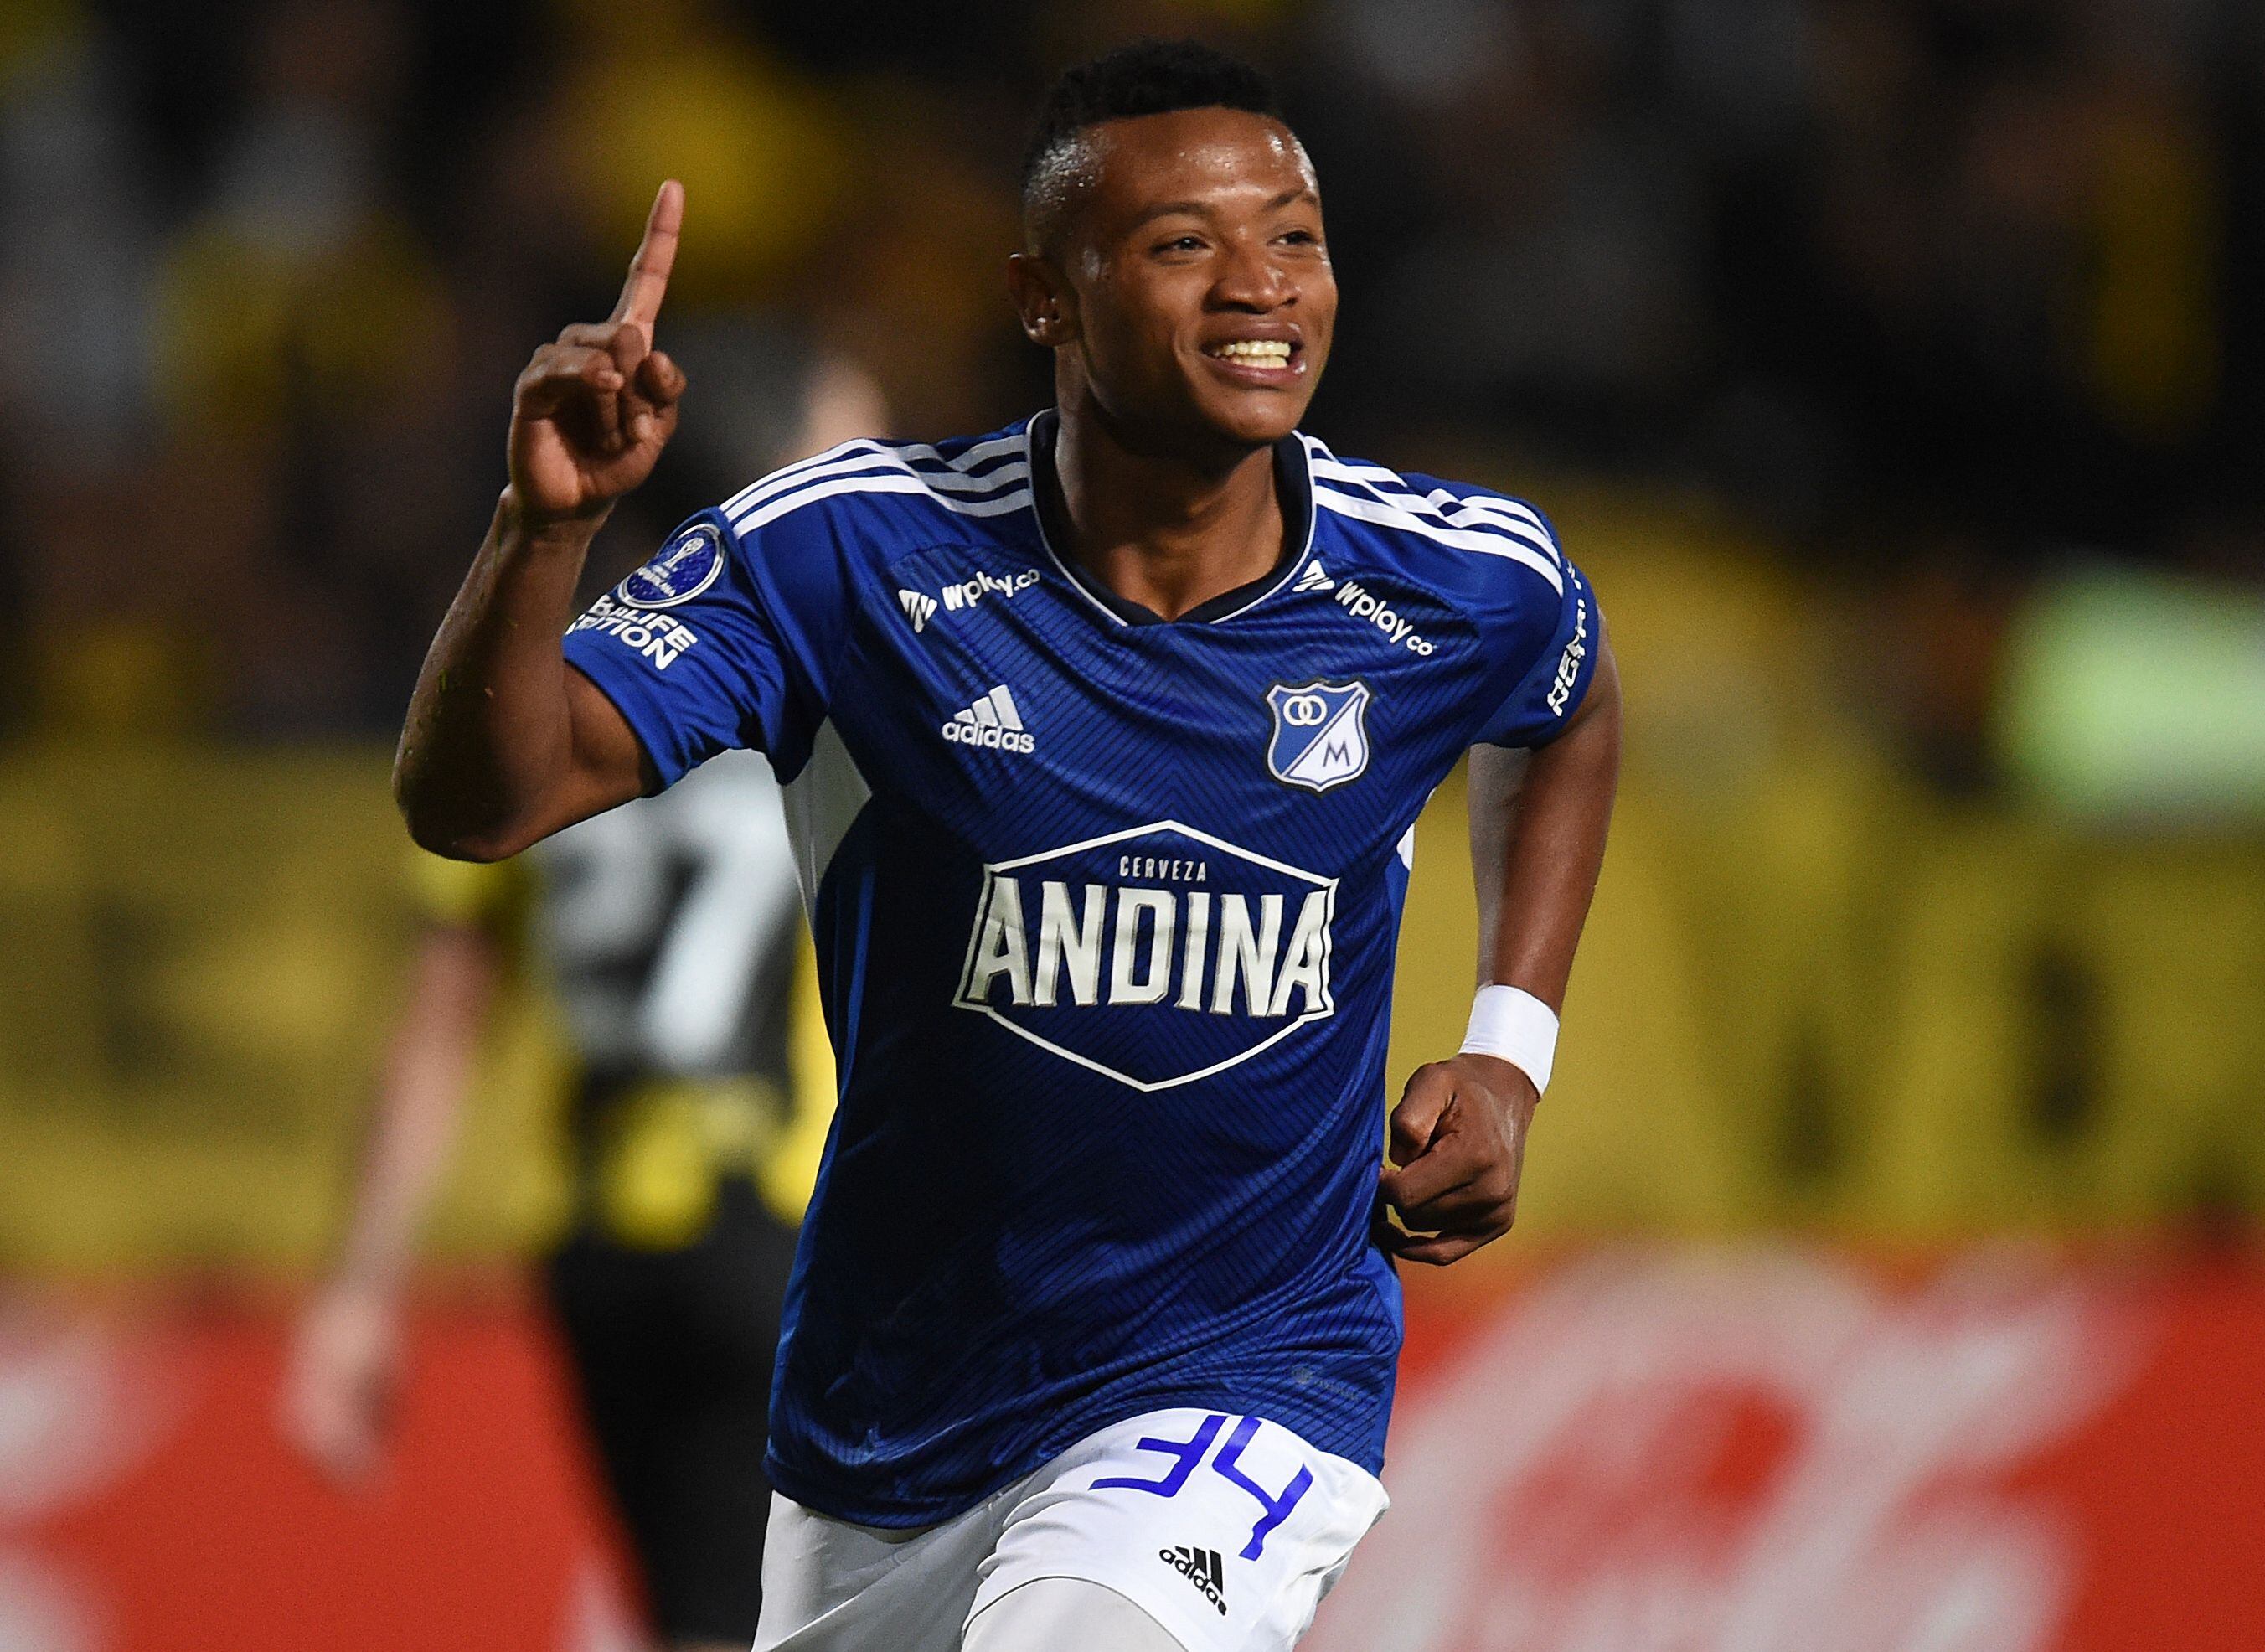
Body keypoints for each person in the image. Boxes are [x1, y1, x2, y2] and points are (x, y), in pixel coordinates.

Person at [392, 38, 1621, 1652]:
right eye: (1184, 243)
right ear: (1044, 296)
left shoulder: (1449, 577)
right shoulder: (849, 553)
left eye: (1294, 237)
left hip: (1246, 1368)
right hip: (892, 1411)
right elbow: (480, 803)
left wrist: (1508, 1047)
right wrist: (540, 528)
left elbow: (1566, 703)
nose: (1260, 286)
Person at [283, 748, 829, 1652]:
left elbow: (436, 1026)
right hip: (781, 1222)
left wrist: (359, 1289)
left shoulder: (526, 713)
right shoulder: (812, 691)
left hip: (594, 1233)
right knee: (765, 1611)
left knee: (699, 1606)